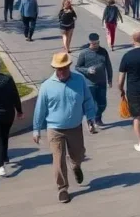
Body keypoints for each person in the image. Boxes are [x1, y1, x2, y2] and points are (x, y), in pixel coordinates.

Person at [32, 52, 98, 204]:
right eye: (58, 69)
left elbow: (87, 100)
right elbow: (39, 109)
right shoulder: (47, 86)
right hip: (54, 129)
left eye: (64, 68)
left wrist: (90, 118)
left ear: (69, 66)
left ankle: (76, 165)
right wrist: (36, 129)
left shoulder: (79, 80)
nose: (61, 72)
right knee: (58, 159)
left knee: (79, 154)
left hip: (75, 127)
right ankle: (62, 188)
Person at [75, 33, 113, 129]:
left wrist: (110, 79)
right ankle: (92, 121)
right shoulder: (84, 53)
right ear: (89, 43)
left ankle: (97, 116)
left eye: (97, 43)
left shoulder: (103, 51)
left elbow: (108, 66)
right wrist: (87, 70)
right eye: (94, 44)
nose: (96, 45)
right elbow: (77, 67)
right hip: (89, 83)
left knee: (102, 104)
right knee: (91, 104)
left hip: (102, 82)